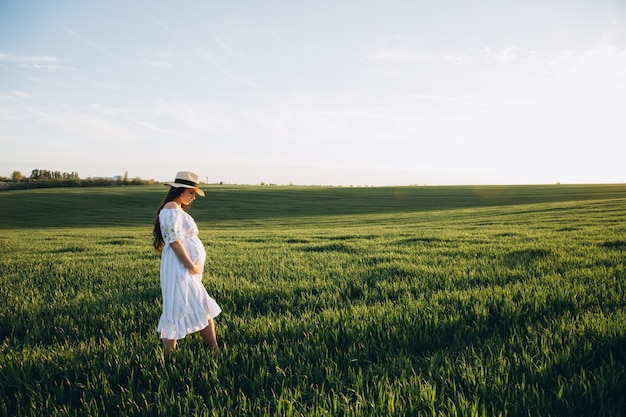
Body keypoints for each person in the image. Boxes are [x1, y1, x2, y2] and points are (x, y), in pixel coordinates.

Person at [152, 171, 221, 354]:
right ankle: (171, 355)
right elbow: (174, 241)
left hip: (184, 268)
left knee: (199, 305)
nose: (193, 197)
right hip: (179, 267)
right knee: (178, 307)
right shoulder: (170, 209)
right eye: (191, 192)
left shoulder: (176, 209)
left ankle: (213, 349)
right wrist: (190, 265)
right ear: (180, 191)